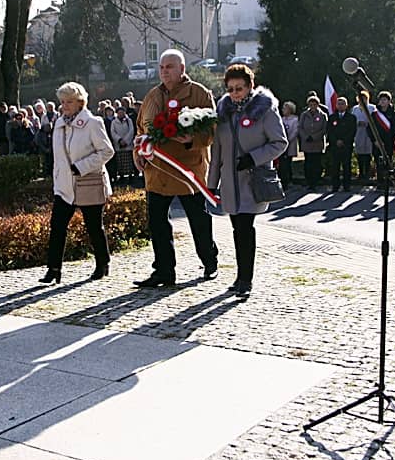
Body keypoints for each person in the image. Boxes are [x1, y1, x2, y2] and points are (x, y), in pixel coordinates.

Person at [134, 49, 218, 287]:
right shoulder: (152, 96)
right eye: (161, 67)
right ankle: (163, 270)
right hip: (157, 171)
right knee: (158, 224)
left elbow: (212, 130)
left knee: (198, 221)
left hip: (187, 170)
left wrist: (192, 140)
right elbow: (141, 129)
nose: (164, 72)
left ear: (182, 69)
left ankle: (209, 261)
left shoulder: (199, 94)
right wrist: (137, 152)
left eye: (169, 67)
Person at [207, 65, 287, 298]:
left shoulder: (265, 110)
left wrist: (254, 158)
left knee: (245, 228)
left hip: (252, 180)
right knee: (236, 229)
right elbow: (217, 152)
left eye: (239, 88)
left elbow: (280, 142)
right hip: (230, 182)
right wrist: (211, 184)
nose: (235, 94)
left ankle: (246, 279)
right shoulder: (224, 112)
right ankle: (240, 277)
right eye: (230, 89)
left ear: (250, 86)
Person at [39, 82, 114, 285]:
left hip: (88, 182)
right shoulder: (59, 123)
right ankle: (53, 269)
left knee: (93, 226)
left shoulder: (93, 123)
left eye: (69, 102)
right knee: (57, 226)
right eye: (62, 102)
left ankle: (102, 263)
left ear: (80, 102)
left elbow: (107, 151)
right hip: (64, 185)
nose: (64, 106)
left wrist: (82, 166)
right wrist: (57, 178)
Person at [327, 97, 357, 192]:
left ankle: (346, 186)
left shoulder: (351, 118)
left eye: (343, 104)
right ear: (336, 105)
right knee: (335, 166)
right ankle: (335, 186)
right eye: (339, 104)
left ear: (346, 105)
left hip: (346, 145)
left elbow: (352, 131)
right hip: (335, 146)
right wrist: (336, 141)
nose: (340, 106)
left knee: (346, 166)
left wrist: (343, 141)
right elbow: (329, 131)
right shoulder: (332, 117)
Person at [298, 93, 327, 190]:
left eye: (314, 104)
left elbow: (324, 129)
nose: (312, 106)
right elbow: (300, 127)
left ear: (318, 105)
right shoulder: (304, 115)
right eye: (311, 104)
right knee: (308, 163)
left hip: (317, 143)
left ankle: (316, 181)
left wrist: (314, 137)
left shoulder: (323, 115)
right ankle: (309, 181)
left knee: (316, 163)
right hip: (307, 143)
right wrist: (306, 136)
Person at [371, 91, 395, 189]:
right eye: (381, 99)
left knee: (388, 162)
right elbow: (370, 128)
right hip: (377, 142)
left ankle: (388, 182)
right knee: (378, 163)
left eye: (385, 100)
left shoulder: (393, 114)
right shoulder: (374, 114)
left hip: (388, 142)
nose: (382, 101)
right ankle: (380, 182)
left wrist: (388, 139)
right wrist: (375, 140)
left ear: (389, 101)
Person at [352, 92, 376, 182]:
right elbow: (352, 120)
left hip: (368, 133)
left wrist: (367, 123)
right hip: (358, 133)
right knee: (360, 154)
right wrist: (357, 123)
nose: (362, 100)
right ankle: (361, 172)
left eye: (364, 98)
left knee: (368, 154)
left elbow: (375, 119)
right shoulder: (355, 109)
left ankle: (367, 173)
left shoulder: (372, 108)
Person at [110, 106, 136, 182]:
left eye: (122, 112)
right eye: (119, 112)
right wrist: (119, 140)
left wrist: (126, 140)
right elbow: (113, 132)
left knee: (128, 160)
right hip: (118, 145)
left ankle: (130, 174)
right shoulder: (114, 122)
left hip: (128, 144)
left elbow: (131, 131)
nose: (121, 114)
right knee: (120, 161)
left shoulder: (129, 121)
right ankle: (121, 175)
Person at [280, 101, 299, 190]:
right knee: (282, 164)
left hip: (290, 144)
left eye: (285, 108)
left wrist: (287, 140)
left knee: (288, 163)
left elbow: (295, 131)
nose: (283, 110)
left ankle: (289, 180)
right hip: (282, 145)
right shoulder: (281, 119)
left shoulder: (295, 119)